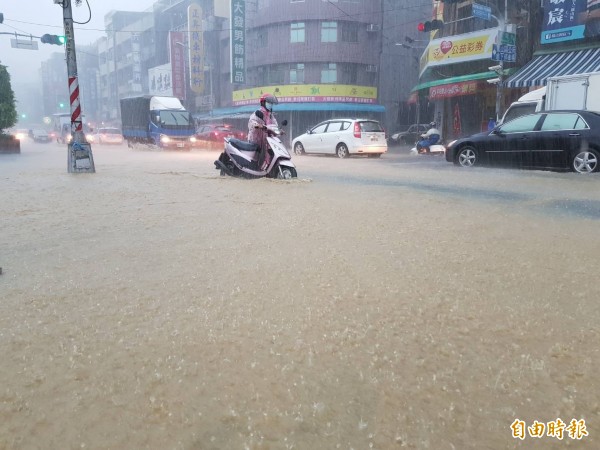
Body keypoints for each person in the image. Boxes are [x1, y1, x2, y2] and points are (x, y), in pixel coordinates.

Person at [248, 93, 279, 170]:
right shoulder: (258, 113)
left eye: (272, 103)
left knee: (269, 156)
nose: (271, 105)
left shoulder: (271, 115)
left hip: (267, 141)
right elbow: (252, 122)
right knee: (255, 160)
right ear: (263, 102)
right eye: (269, 103)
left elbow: (275, 125)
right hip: (256, 141)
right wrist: (257, 125)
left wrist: (279, 131)